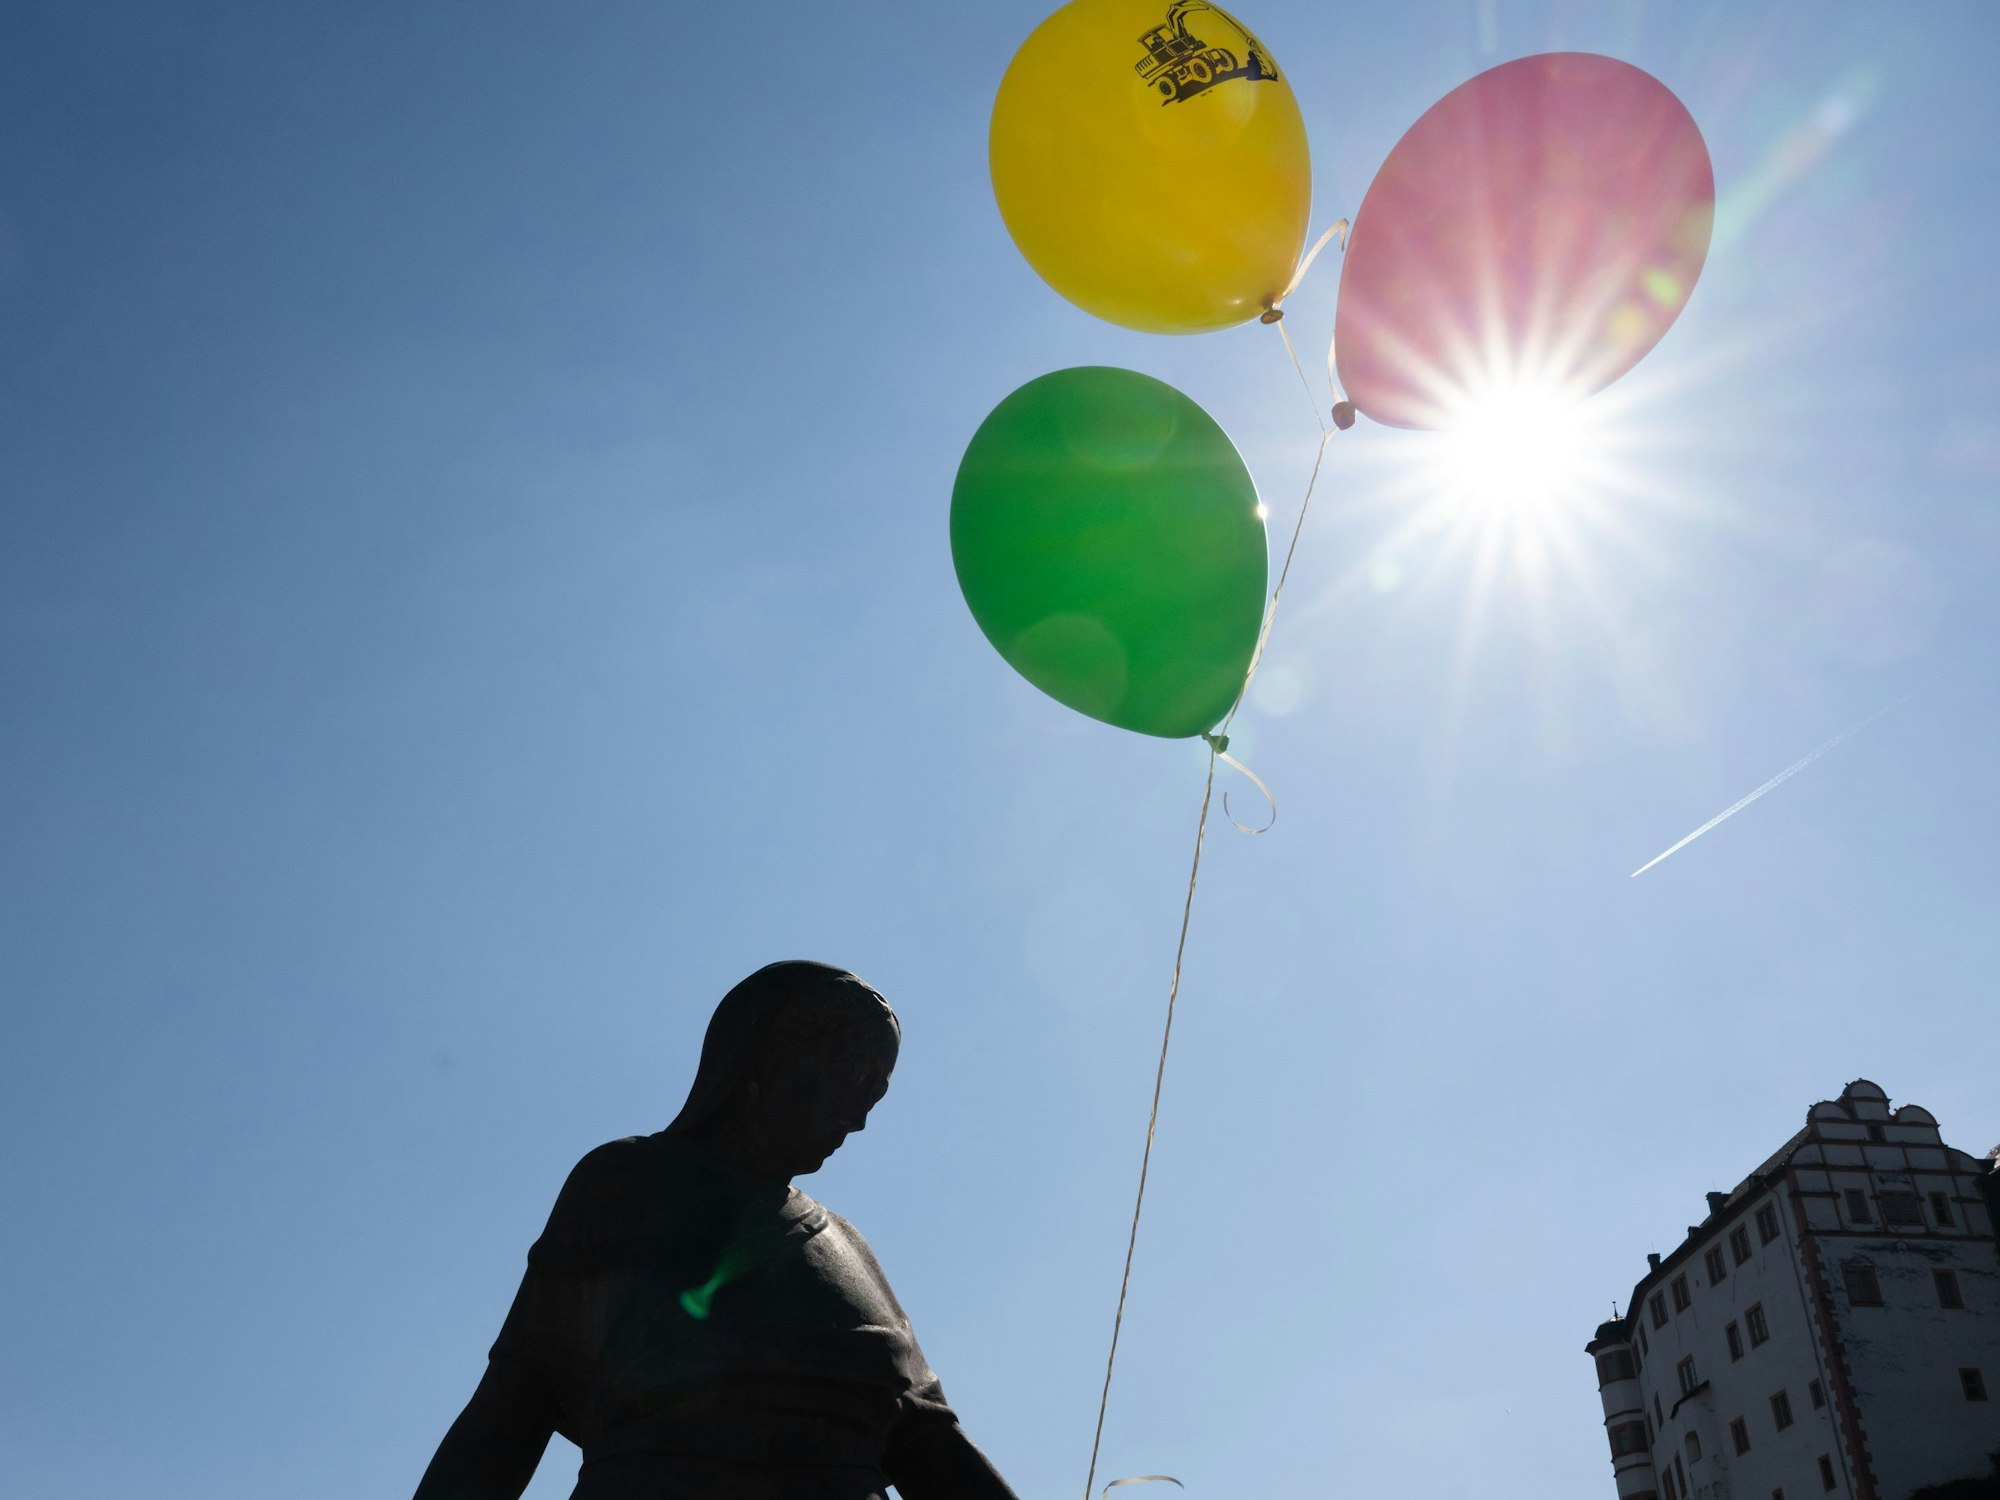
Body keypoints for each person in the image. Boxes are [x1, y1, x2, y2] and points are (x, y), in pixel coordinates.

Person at [413, 961, 1018, 1499]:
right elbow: (517, 1399)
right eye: (850, 1078)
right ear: (769, 1056)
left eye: (875, 1095)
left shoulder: (847, 1246)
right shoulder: (629, 1181)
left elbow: (929, 1444)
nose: (859, 1119)